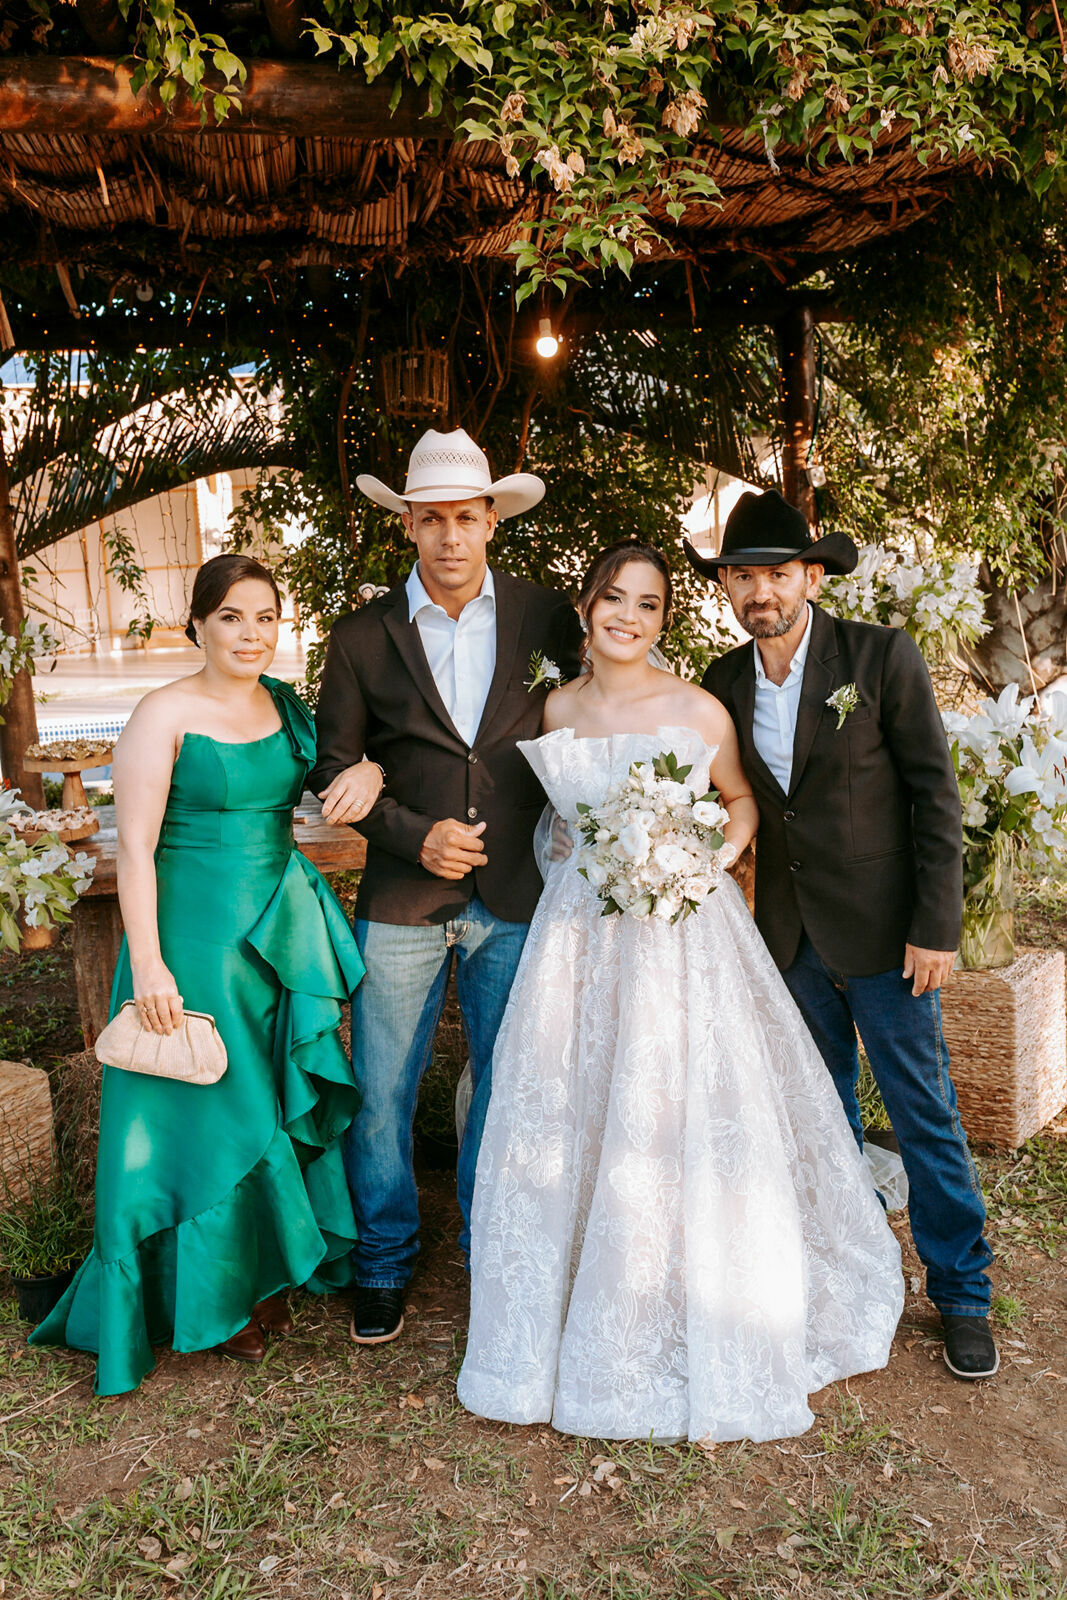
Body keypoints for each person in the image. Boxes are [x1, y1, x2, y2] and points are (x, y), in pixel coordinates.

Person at [457, 542, 903, 1444]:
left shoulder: (697, 708)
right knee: (572, 1102)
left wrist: (698, 860)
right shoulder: (552, 708)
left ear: (665, 619)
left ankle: (684, 1284)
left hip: (678, 930)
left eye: (649, 603)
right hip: (578, 937)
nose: (628, 615)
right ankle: (569, 1301)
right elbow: (549, 825)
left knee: (675, 1102)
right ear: (584, 608)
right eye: (613, 598)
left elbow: (736, 802)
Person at [31, 554, 370, 1395]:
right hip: (193, 936)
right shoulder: (164, 711)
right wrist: (147, 962)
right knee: (212, 1105)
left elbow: (332, 776)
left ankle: (257, 1271)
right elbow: (135, 847)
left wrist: (371, 771)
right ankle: (206, 1293)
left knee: (260, 1095)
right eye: (231, 617)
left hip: (276, 932)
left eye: (265, 617)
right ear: (198, 624)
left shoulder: (283, 704)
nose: (250, 633)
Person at [692, 488, 997, 1381]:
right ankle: (841, 1277)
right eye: (742, 578)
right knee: (816, 1119)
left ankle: (962, 1293)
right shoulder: (720, 682)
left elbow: (934, 798)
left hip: (887, 939)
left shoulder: (878, 657)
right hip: (784, 940)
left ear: (811, 577)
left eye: (775, 575)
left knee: (923, 1114)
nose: (759, 594)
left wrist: (934, 925)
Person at [311, 428, 583, 1347]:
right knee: (380, 1085)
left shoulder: (550, 620)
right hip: (401, 899)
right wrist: (408, 835)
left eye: (466, 518)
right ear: (408, 528)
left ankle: (489, 1247)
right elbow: (335, 768)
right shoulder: (359, 638)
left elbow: (589, 718)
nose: (450, 537)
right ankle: (384, 1258)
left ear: (492, 521)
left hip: (519, 891)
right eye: (431, 520)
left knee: (510, 1085)